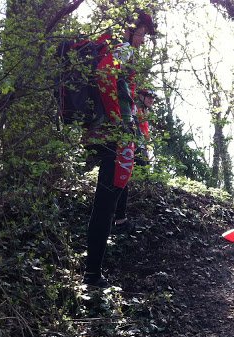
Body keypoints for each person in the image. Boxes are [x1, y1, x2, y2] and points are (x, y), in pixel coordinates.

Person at [82, 11, 156, 287]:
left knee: (106, 202)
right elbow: (104, 75)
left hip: (110, 135)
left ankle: (93, 271)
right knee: (106, 203)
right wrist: (119, 123)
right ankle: (92, 274)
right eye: (141, 34)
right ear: (129, 31)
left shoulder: (118, 50)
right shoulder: (124, 51)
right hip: (116, 138)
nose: (142, 41)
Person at [113, 88, 156, 233]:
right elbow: (132, 127)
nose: (152, 99)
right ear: (141, 96)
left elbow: (143, 131)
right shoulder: (134, 107)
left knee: (133, 179)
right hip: (130, 146)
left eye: (153, 97)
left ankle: (122, 216)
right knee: (122, 180)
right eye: (149, 96)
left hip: (138, 147)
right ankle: (119, 219)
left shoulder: (144, 111)